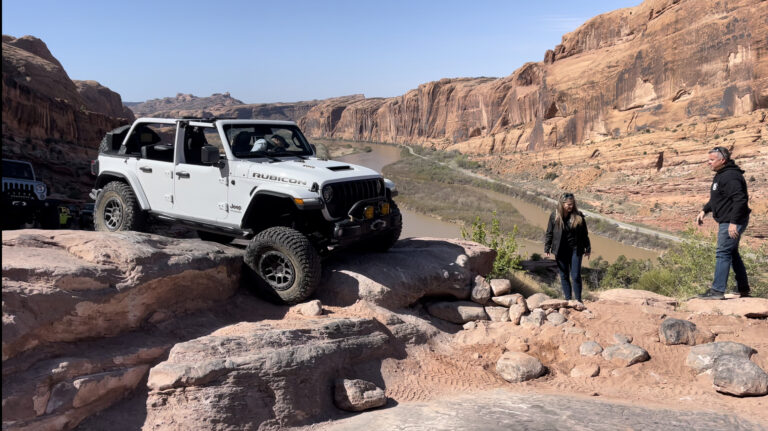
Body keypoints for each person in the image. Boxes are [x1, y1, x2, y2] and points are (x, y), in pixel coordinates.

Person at [695, 146, 751, 300]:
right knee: (732, 253)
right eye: (708, 159)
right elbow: (717, 198)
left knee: (723, 253)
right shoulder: (721, 174)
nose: (708, 162)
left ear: (723, 160)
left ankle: (717, 291)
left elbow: (740, 199)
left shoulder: (731, 176)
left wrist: (734, 222)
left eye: (712, 160)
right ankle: (743, 289)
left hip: (732, 221)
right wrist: (704, 210)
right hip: (729, 220)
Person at [545, 192, 591, 303]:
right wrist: (547, 247)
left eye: (572, 204)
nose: (571, 206)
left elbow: (584, 234)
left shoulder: (578, 216)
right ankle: (568, 300)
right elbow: (549, 232)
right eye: (568, 204)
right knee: (564, 275)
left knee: (575, 275)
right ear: (562, 204)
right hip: (560, 250)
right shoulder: (555, 216)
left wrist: (588, 248)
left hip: (576, 249)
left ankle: (578, 300)